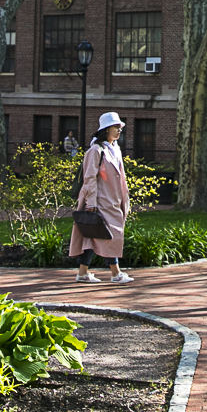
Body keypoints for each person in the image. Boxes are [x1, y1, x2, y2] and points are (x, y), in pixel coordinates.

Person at [71, 112, 133, 284]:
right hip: (100, 201)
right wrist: (91, 202)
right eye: (116, 127)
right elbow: (90, 178)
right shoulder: (95, 150)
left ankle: (82, 273)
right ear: (106, 130)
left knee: (93, 235)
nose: (119, 130)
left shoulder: (115, 149)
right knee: (110, 234)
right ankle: (116, 273)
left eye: (120, 127)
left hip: (112, 200)